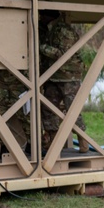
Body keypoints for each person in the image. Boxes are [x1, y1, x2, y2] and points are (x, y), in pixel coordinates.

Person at [39, 11, 87, 151]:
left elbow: (62, 54)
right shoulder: (51, 29)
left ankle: (83, 142)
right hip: (54, 75)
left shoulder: (64, 31)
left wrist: (40, 47)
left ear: (49, 16)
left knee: (72, 109)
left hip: (68, 77)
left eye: (42, 15)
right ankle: (52, 142)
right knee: (48, 108)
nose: (41, 18)